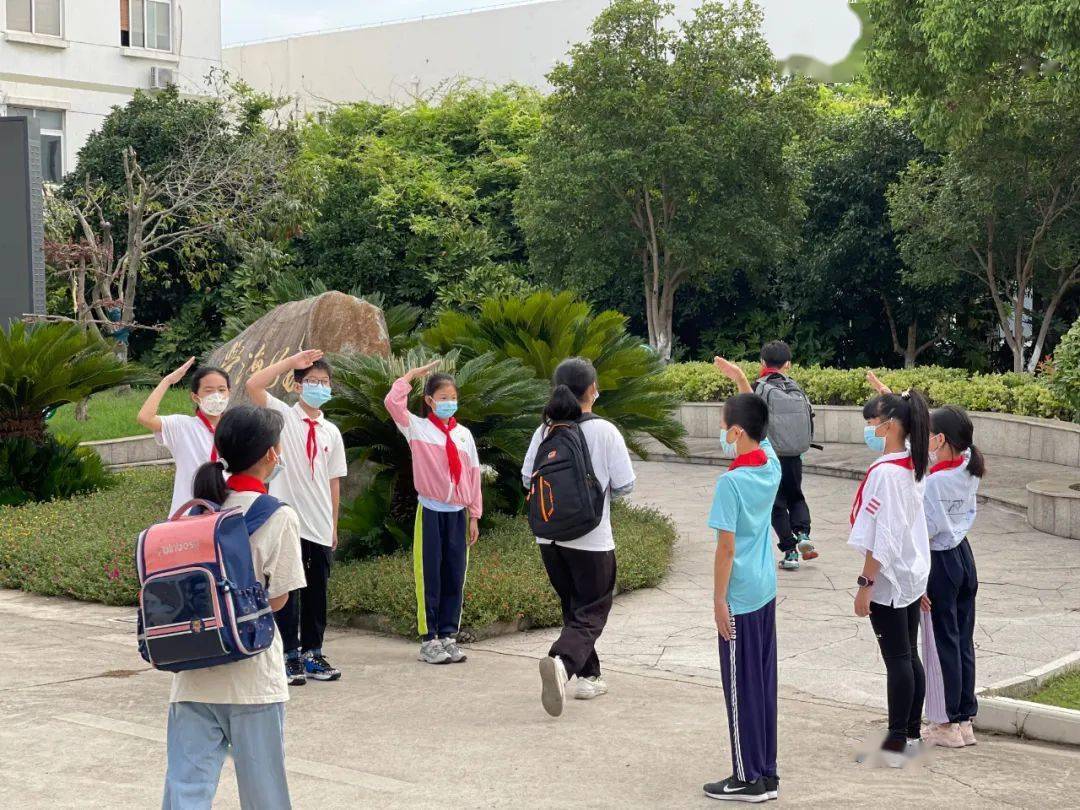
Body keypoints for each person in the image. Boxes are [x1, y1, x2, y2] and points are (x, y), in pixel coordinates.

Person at [163, 405, 305, 810]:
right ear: (270, 456)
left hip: (192, 672)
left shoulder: (198, 511)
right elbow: (278, 598)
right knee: (265, 796)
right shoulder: (277, 516)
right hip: (252, 676)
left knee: (185, 792)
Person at [867, 373, 982, 748]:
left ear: (941, 440)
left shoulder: (931, 480)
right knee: (963, 640)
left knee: (943, 642)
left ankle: (947, 723)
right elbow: (923, 442)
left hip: (939, 561)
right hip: (964, 557)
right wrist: (893, 400)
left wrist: (922, 581)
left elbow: (921, 533)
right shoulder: (966, 465)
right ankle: (964, 718)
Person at [522, 357, 636, 717]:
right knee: (593, 608)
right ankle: (562, 661)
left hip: (549, 539)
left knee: (575, 607)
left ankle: (589, 676)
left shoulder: (545, 431)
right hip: (591, 538)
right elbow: (626, 485)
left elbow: (528, 480)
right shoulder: (604, 430)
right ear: (591, 390)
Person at [702, 358, 782, 803]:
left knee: (739, 688)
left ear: (736, 432)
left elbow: (725, 550)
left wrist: (718, 602)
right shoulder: (769, 466)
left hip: (739, 596)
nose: (721, 432)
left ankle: (746, 777)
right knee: (762, 683)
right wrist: (739, 381)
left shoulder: (729, 484)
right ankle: (766, 771)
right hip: (765, 590)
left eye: (724, 425)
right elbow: (760, 429)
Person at [247, 350, 348, 686]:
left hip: (319, 523)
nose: (319, 387)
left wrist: (333, 524)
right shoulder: (282, 417)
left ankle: (313, 652)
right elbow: (254, 385)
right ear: (297, 386)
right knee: (287, 587)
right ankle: (288, 654)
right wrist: (292, 362)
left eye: (324, 383)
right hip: (286, 520)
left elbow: (334, 481)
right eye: (312, 382)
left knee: (317, 590)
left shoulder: (330, 431)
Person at [848, 384, 932, 767]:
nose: (871, 430)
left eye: (874, 423)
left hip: (890, 577)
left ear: (890, 425)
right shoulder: (914, 463)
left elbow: (880, 536)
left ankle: (897, 740)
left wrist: (865, 585)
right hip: (911, 573)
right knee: (907, 654)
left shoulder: (886, 473)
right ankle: (911, 734)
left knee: (897, 657)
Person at [384, 360, 482, 665]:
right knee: (431, 574)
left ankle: (449, 635)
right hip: (431, 511)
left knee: (455, 573)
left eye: (453, 398)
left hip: (458, 513)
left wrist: (474, 515)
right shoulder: (418, 428)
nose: (449, 403)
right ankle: (430, 640)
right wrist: (409, 377)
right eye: (442, 398)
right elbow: (392, 403)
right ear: (429, 400)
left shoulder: (464, 435)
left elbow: (474, 474)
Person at [138, 358, 232, 517]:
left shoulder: (237, 428)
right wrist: (167, 381)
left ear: (229, 392)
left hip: (228, 513)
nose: (216, 396)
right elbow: (145, 417)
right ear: (195, 397)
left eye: (222, 390)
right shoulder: (182, 426)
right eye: (209, 391)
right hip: (188, 515)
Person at [753, 340, 816, 571]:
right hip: (794, 455)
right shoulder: (795, 386)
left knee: (776, 504)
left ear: (762, 362)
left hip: (770, 456)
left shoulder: (758, 387)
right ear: (788, 364)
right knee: (796, 496)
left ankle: (790, 552)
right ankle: (803, 534)